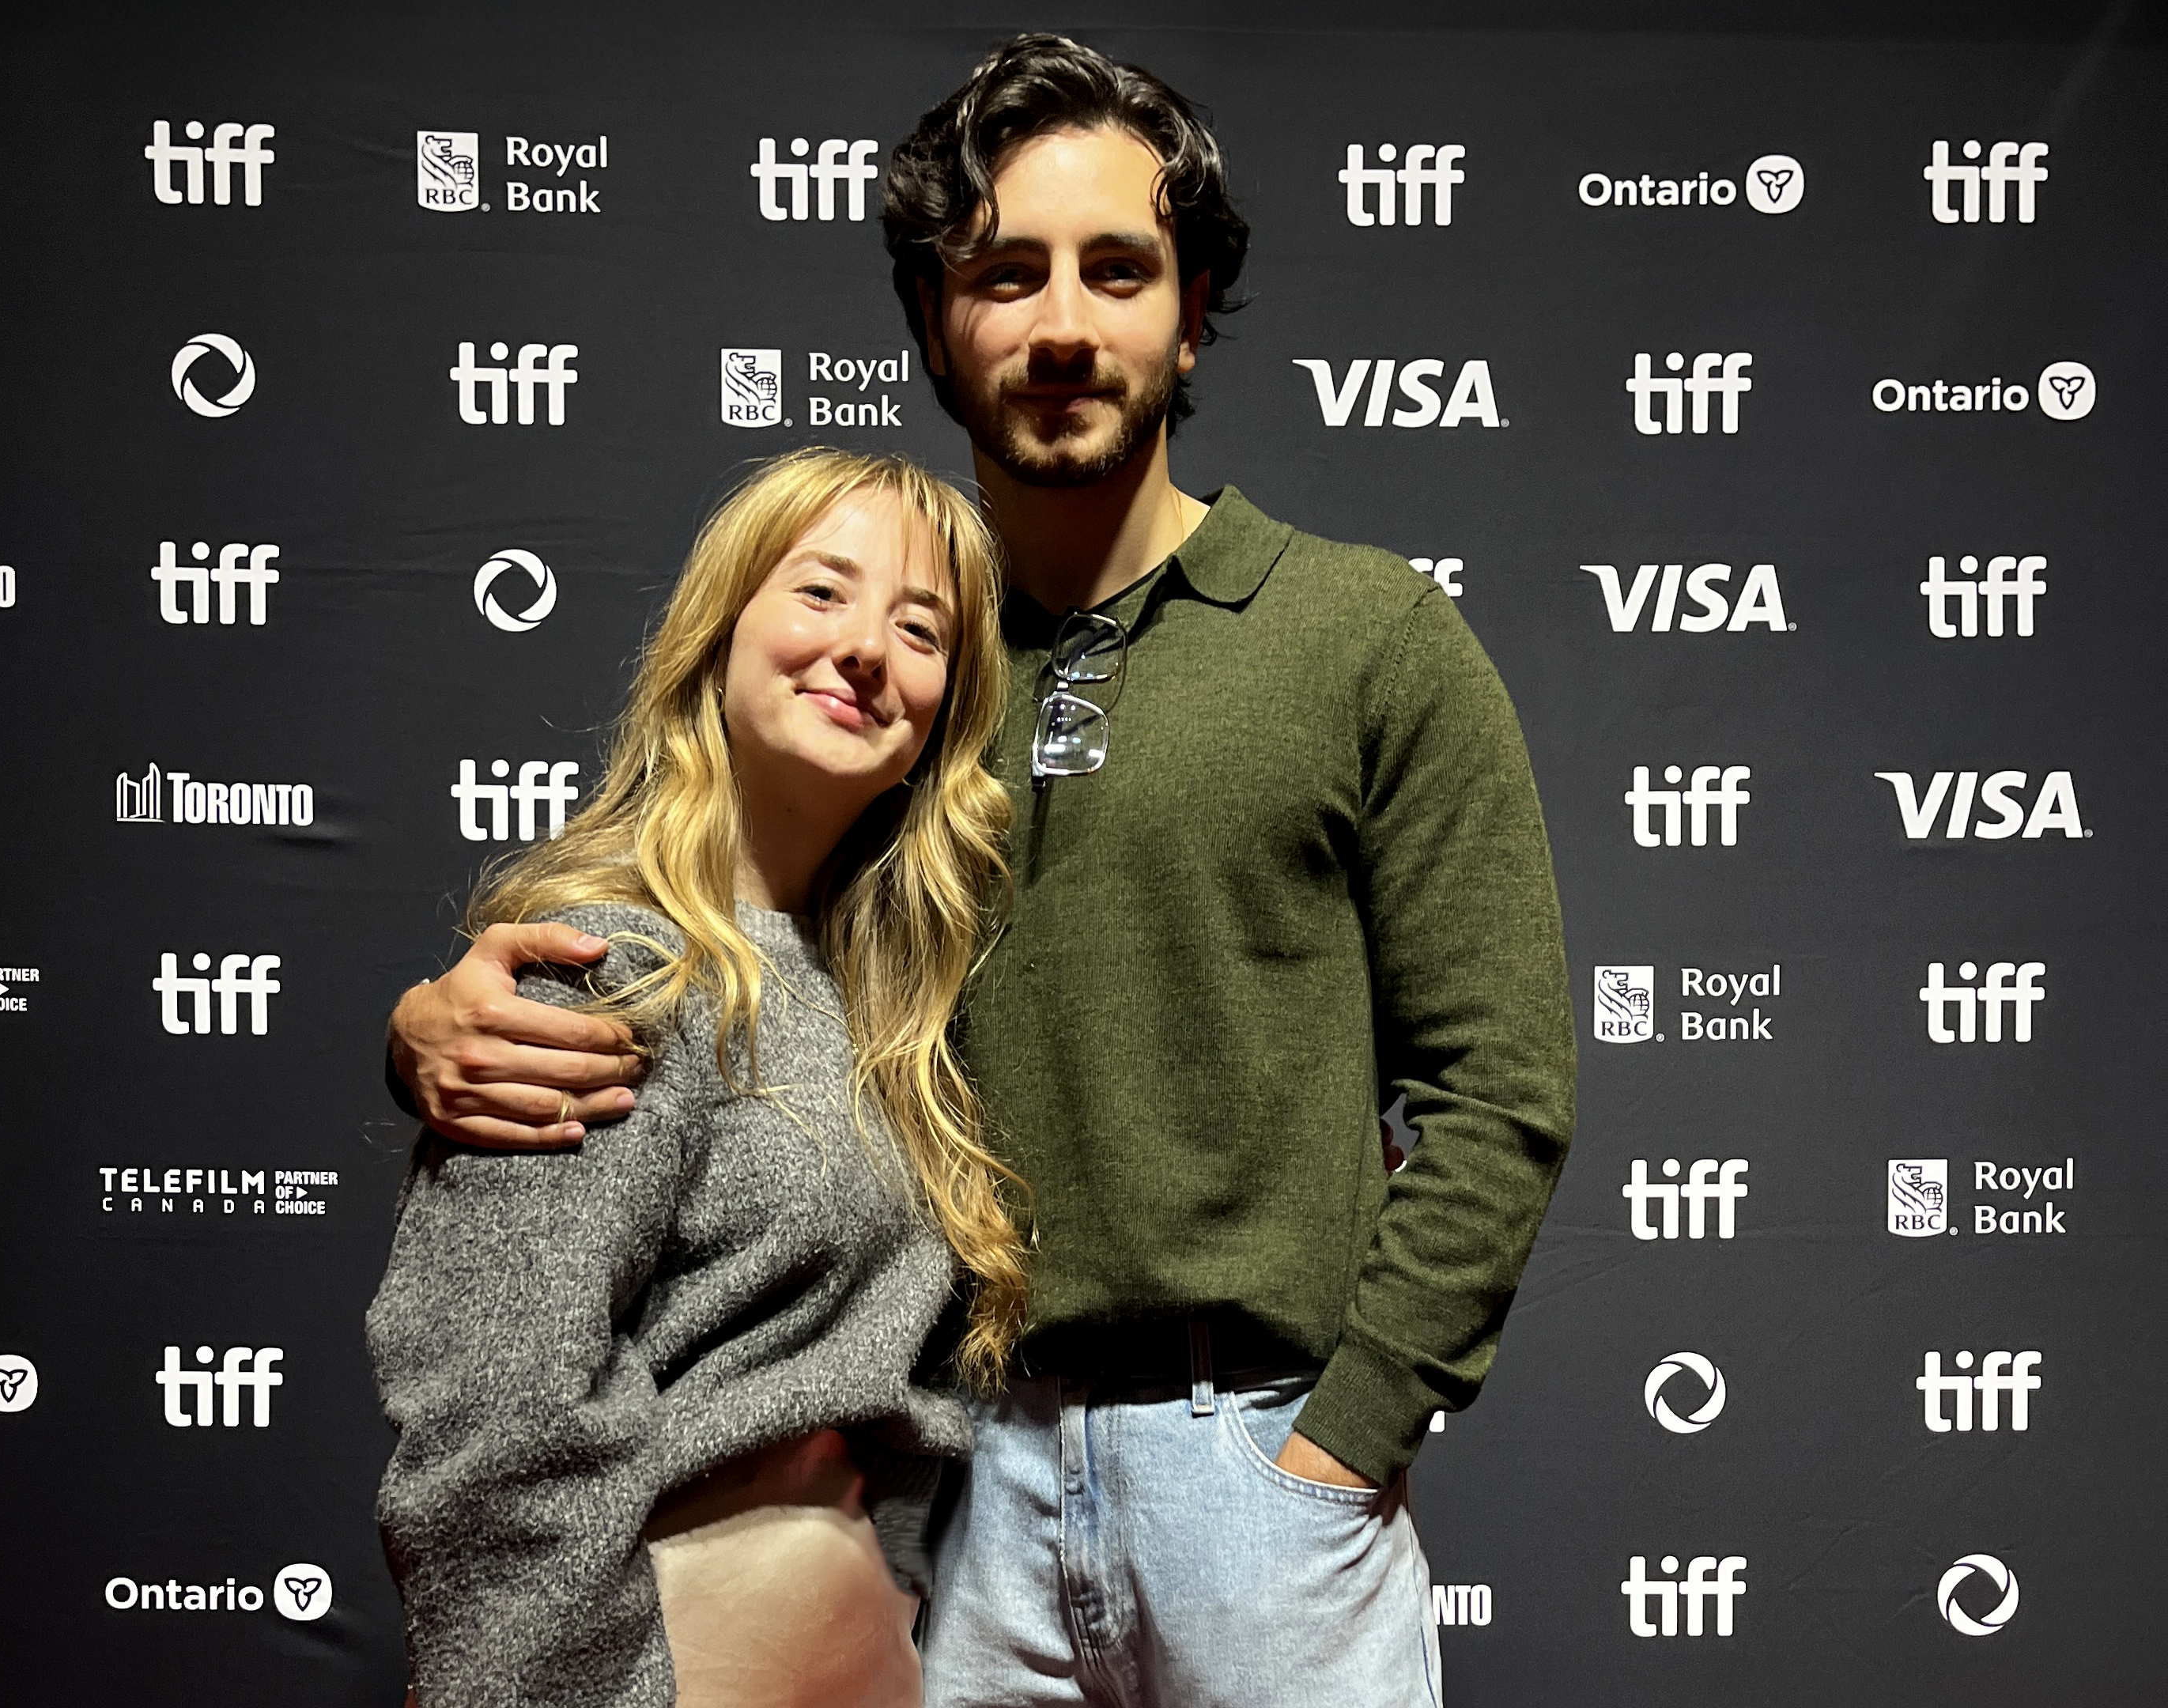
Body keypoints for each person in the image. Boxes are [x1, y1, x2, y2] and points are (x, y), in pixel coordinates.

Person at [385, 35, 1576, 1708]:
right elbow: (727, 932)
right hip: (945, 1494)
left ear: (1197, 301)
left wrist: (1341, 1447)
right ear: (935, 323)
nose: (1065, 325)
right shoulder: (898, 680)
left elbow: (1502, 1088)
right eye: (1005, 273)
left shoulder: (1366, 634)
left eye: (1118, 269)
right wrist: (441, 1018)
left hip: (1260, 1468)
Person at [366, 448, 1029, 1708]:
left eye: (920, 627)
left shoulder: (894, 1012)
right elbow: (504, 1421)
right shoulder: (603, 971)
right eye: (822, 592)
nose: (867, 649)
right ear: (723, 626)